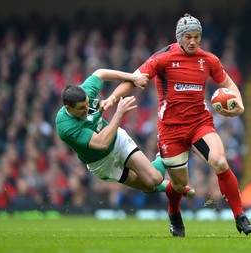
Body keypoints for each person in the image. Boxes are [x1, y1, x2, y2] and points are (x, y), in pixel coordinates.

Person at [102, 13, 251, 237]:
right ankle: (174, 212)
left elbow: (229, 82)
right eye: (188, 37)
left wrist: (239, 104)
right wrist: (113, 98)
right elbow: (134, 79)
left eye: (197, 37)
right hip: (171, 131)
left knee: (220, 162)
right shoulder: (162, 58)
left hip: (199, 123)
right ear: (179, 37)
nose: (193, 41)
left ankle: (240, 216)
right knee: (178, 185)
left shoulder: (209, 60)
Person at [55, 68, 194, 205]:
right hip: (101, 162)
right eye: (81, 109)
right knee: (148, 186)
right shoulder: (65, 126)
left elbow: (100, 73)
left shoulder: (85, 92)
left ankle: (163, 154)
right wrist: (119, 113)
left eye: (87, 104)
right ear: (68, 108)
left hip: (117, 141)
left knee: (154, 179)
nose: (86, 110)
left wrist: (132, 77)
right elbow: (101, 143)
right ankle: (167, 186)